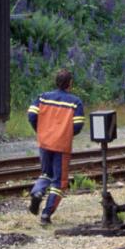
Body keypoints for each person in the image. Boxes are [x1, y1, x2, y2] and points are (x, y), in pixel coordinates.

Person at [27, 68, 85, 225]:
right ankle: (46, 215)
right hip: (62, 145)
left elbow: (31, 115)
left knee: (46, 174)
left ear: (56, 81)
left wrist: (41, 131)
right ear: (70, 83)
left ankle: (37, 192)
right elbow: (78, 125)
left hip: (45, 142)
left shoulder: (43, 97)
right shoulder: (75, 102)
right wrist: (64, 133)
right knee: (59, 182)